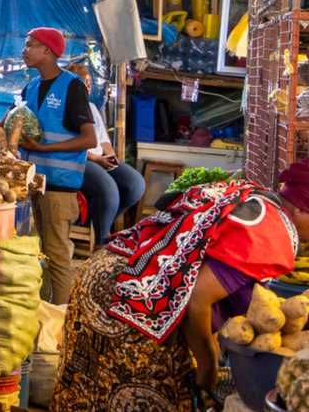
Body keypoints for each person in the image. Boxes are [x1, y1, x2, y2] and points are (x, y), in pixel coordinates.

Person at [51, 164, 309, 411]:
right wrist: (207, 365)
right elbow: (197, 299)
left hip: (108, 273)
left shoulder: (258, 199)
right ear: (299, 208)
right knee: (141, 393)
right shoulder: (275, 233)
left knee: (91, 389)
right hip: (127, 298)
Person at [17, 27, 96, 304]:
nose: (24, 51)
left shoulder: (72, 86)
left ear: (47, 51)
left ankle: (61, 325)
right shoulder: (30, 87)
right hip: (31, 185)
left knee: (58, 258)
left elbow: (89, 138)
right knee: (35, 258)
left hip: (59, 188)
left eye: (30, 45)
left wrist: (44, 149)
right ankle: (41, 323)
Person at [66, 62, 145, 245]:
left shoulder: (92, 107)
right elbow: (70, 144)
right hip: (80, 159)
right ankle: (102, 241)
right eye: (82, 82)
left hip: (99, 158)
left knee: (134, 184)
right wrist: (96, 159)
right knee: (109, 191)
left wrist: (111, 159)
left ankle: (98, 221)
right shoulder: (65, 109)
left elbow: (103, 141)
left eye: (89, 82)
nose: (87, 86)